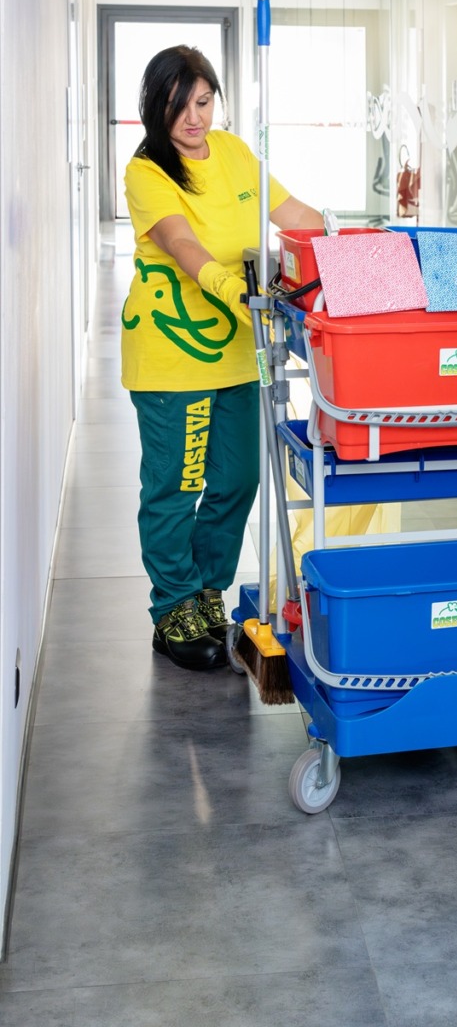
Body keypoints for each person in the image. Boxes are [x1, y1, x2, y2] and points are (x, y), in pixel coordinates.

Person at [120, 45, 323, 671]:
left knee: (238, 479)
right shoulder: (146, 171)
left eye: (203, 102)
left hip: (240, 347)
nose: (194, 118)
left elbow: (293, 214)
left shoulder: (234, 152)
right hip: (172, 354)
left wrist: (355, 244)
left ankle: (206, 593)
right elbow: (180, 241)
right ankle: (172, 606)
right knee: (177, 484)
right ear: (155, 107)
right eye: (178, 105)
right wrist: (230, 285)